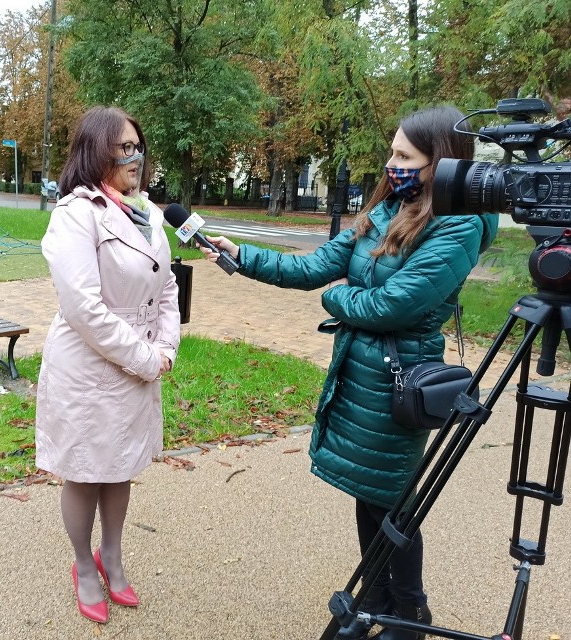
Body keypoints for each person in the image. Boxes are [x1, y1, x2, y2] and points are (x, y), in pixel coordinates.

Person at [199, 105, 498, 640]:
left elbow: (393, 305)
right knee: (370, 493)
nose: (392, 163)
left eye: (404, 156)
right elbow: (312, 266)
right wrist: (241, 253)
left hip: (401, 379)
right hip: (361, 375)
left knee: (394, 501)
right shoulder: (387, 208)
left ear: (442, 163)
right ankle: (373, 601)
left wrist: (339, 298)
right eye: (392, 151)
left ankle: (409, 614)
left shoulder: (459, 225)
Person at [35, 106, 181, 624]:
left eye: (138, 145)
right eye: (122, 147)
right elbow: (84, 309)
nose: (134, 156)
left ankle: (112, 556)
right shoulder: (75, 215)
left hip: (138, 360)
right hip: (88, 366)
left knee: (120, 468)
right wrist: (146, 357)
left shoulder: (150, 215)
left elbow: (167, 286)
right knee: (84, 471)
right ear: (95, 150)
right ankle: (83, 565)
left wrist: (166, 346)